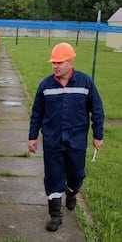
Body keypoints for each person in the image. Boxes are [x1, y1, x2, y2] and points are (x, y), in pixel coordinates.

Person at [28, 42, 104, 232]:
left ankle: (71, 192)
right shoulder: (45, 86)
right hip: (52, 141)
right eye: (53, 62)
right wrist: (32, 137)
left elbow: (97, 110)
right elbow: (37, 113)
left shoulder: (85, 83)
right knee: (53, 177)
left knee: (76, 174)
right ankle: (55, 215)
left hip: (76, 141)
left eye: (59, 62)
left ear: (71, 62)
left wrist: (98, 135)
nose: (55, 65)